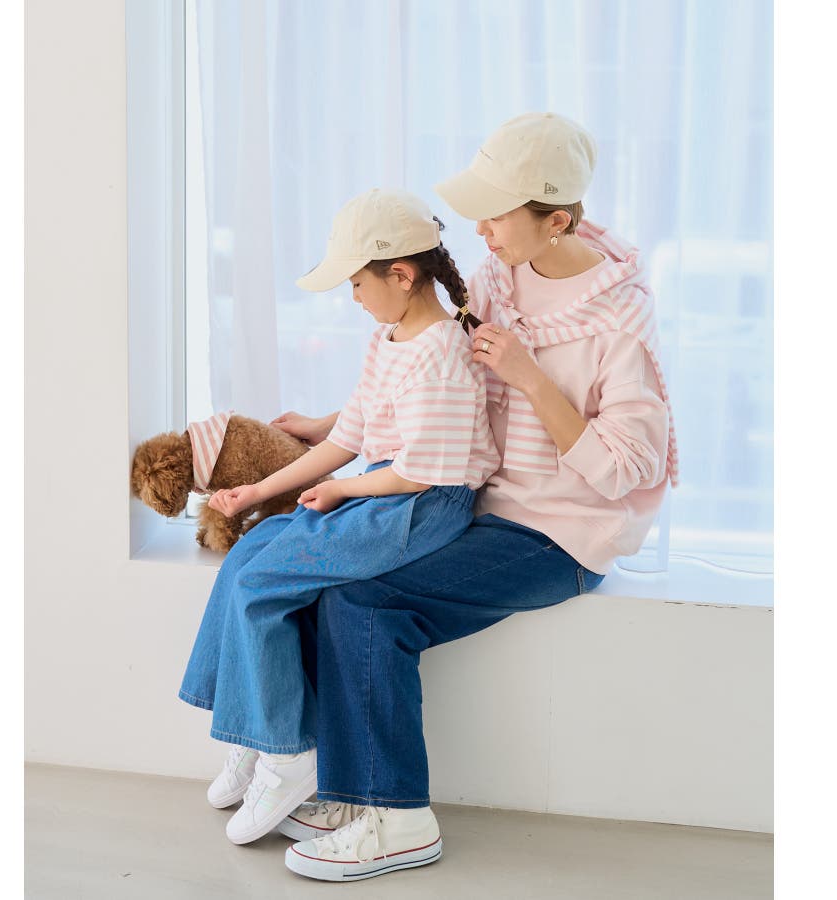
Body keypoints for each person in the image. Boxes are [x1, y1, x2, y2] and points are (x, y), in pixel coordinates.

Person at [274, 113, 679, 883]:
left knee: (368, 602)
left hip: (559, 534)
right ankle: (350, 792)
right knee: (328, 577)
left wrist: (530, 376)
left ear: (556, 220)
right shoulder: (500, 275)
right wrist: (332, 426)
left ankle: (398, 819)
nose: (480, 231)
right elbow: (432, 373)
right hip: (476, 503)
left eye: (495, 214)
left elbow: (627, 469)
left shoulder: (620, 322)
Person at [177, 188, 500, 847]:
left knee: (261, 585)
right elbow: (348, 435)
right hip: (383, 492)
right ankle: (254, 734)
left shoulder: (441, 354)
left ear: (401, 275)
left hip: (417, 508)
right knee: (248, 555)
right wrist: (256, 490)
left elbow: (418, 473)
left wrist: (340, 493)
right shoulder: (389, 338)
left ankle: (289, 754)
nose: (352, 297)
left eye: (356, 283)